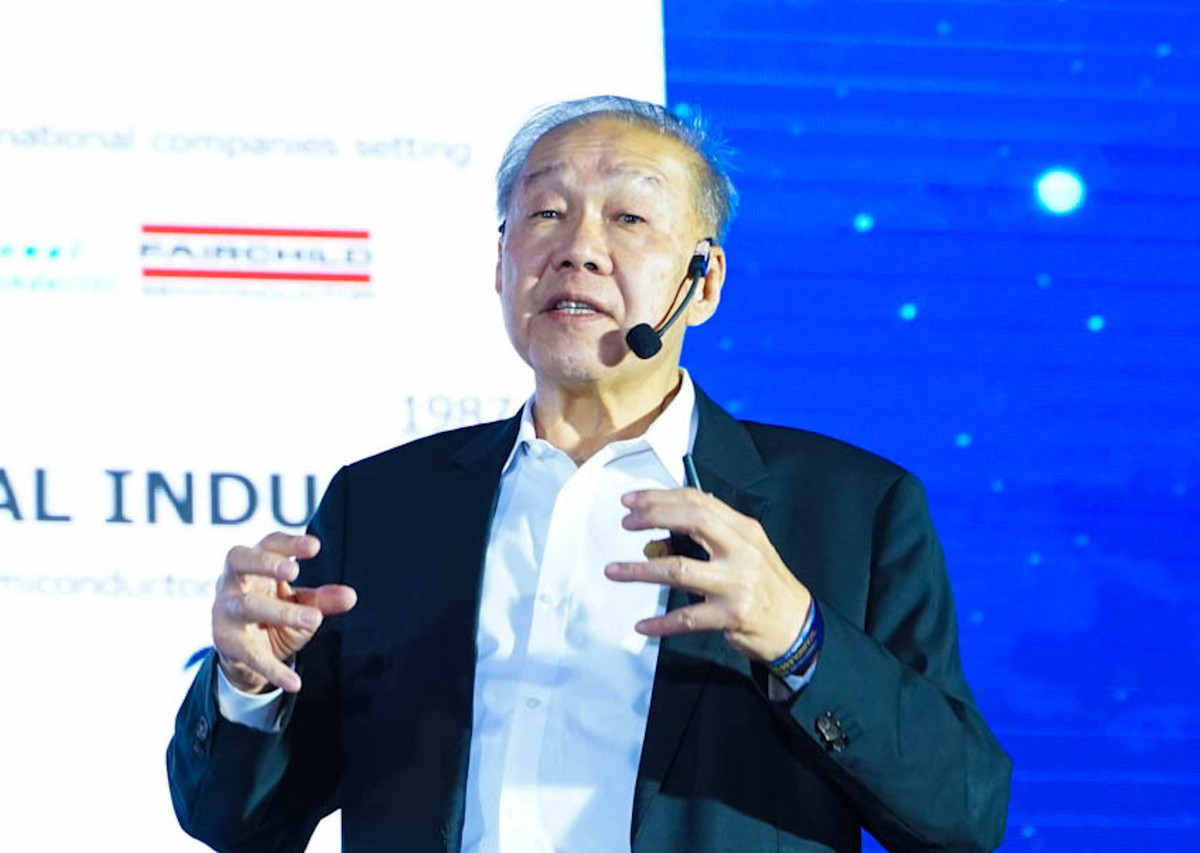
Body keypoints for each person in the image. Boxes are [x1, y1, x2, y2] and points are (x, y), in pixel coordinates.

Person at [168, 95, 1011, 853]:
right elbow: (235, 822)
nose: (578, 250)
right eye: (545, 213)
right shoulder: (384, 505)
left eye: (630, 218)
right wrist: (248, 685)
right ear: (501, 262)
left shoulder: (852, 509)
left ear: (704, 282)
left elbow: (963, 814)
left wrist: (801, 638)